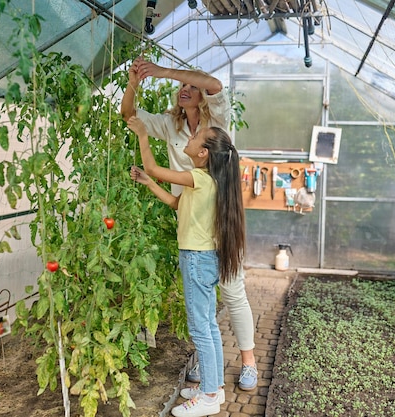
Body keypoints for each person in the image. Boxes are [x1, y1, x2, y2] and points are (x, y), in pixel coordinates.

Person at [121, 57, 258, 391]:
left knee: (232, 291)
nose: (185, 89)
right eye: (181, 85)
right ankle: (207, 356)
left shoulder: (217, 121)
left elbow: (213, 84)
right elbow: (129, 116)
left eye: (190, 86)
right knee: (200, 297)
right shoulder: (171, 125)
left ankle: (249, 362)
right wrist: (134, 81)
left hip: (222, 219)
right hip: (190, 213)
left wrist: (163, 70)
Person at [127, 115, 244, 417]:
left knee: (200, 329)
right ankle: (214, 387)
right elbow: (176, 204)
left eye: (195, 138)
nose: (189, 140)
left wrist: (142, 134)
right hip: (204, 258)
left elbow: (154, 166)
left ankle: (207, 397)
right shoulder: (208, 180)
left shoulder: (200, 178)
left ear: (203, 153)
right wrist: (148, 182)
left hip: (195, 258)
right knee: (209, 326)